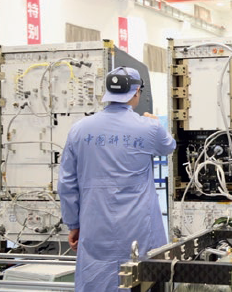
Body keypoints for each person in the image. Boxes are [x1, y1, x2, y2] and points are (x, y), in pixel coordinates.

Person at [58, 67, 176, 292]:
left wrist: (73, 224)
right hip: (138, 228)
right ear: (136, 92)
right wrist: (156, 123)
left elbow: (67, 183)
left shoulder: (79, 130)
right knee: (140, 277)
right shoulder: (148, 128)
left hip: (95, 226)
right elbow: (168, 146)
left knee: (96, 280)